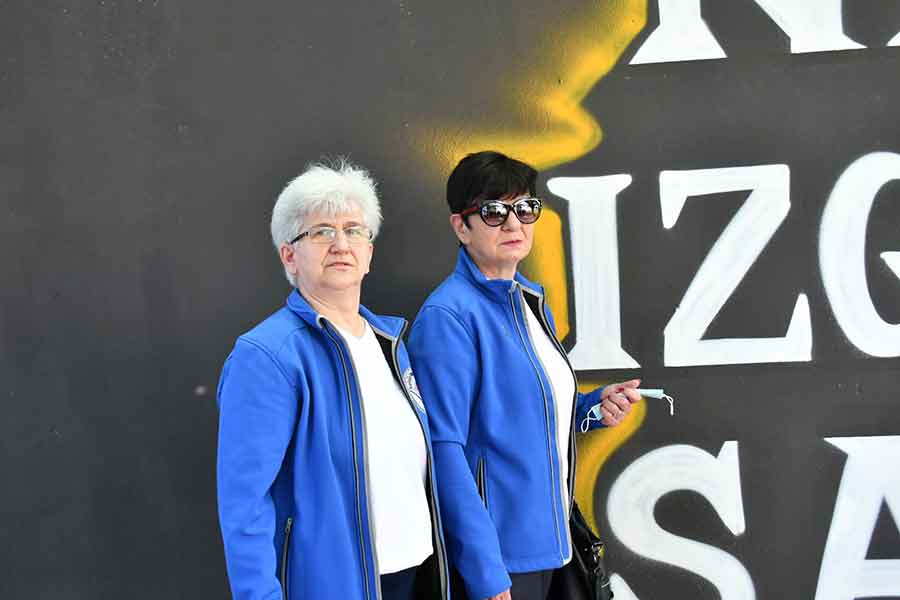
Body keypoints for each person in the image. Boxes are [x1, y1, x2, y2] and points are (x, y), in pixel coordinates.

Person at [407, 151, 639, 600]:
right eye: (493, 212)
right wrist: (485, 570)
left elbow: (527, 413)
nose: (513, 223)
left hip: (554, 546)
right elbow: (443, 450)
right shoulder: (448, 317)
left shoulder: (528, 302)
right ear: (461, 227)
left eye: (525, 208)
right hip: (502, 561)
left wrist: (592, 407)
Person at [216, 160, 449, 600]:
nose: (341, 243)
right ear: (289, 255)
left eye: (353, 230)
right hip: (333, 585)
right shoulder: (267, 355)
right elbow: (245, 505)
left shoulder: (391, 344)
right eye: (321, 231)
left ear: (369, 253)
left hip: (415, 574)